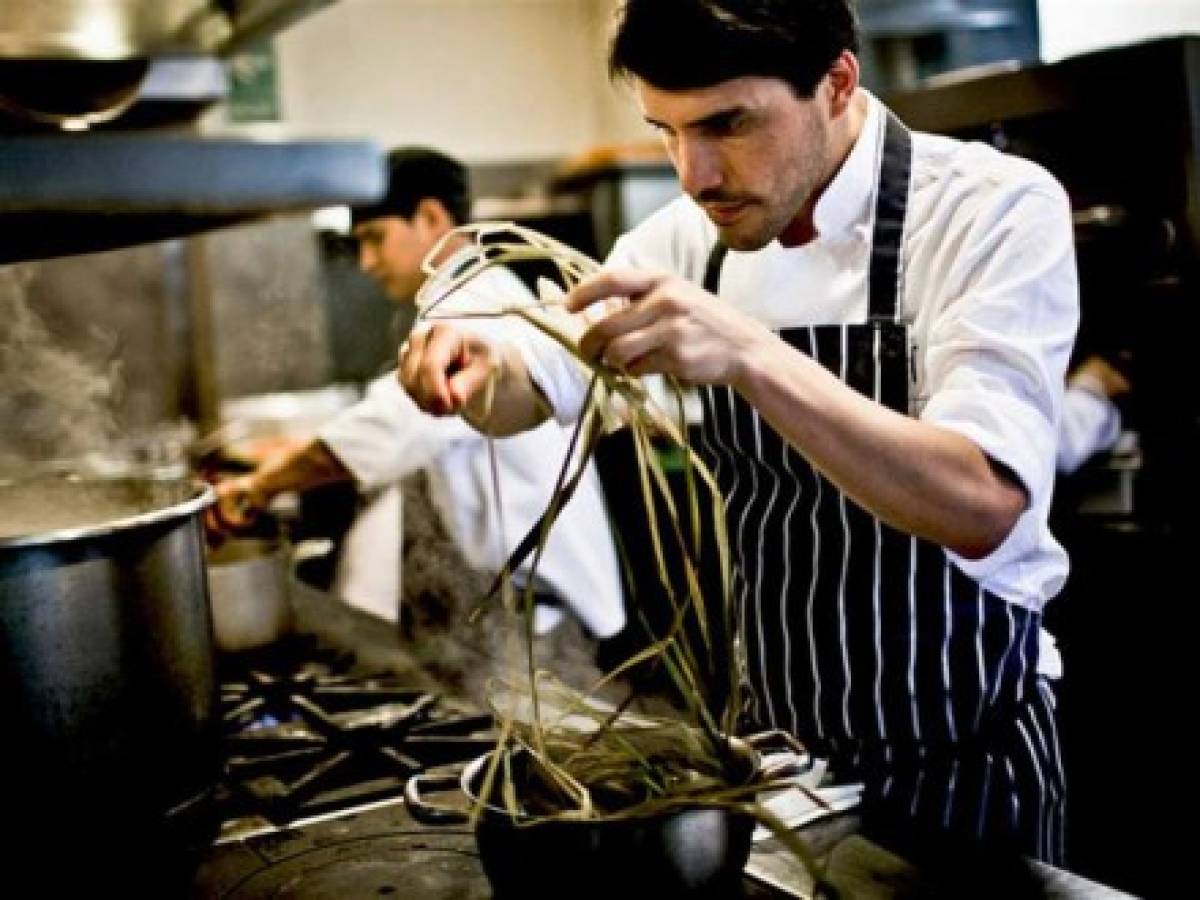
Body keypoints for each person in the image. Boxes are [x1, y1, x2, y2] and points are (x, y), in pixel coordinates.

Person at [398, 0, 1077, 874]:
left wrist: (751, 355)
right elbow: (536, 377)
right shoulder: (691, 239)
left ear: (837, 83)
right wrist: (476, 364)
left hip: (967, 767)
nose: (693, 174)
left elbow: (981, 502)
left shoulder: (989, 212)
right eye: (667, 132)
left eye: (728, 124)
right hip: (781, 763)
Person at [206, 147, 625, 651]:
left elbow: (389, 427)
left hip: (542, 614)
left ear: (430, 219)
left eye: (374, 239)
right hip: (527, 602)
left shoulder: (471, 307)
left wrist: (259, 487)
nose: (366, 263)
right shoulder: (478, 290)